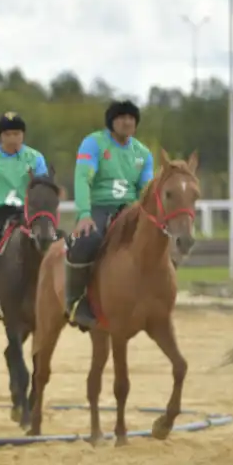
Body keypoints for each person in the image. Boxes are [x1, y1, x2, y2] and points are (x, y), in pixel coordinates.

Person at [65, 100, 154, 331]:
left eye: (131, 119)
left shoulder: (143, 153)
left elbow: (146, 191)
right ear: (111, 122)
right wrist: (84, 214)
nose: (127, 122)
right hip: (99, 207)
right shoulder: (93, 144)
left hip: (131, 210)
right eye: (121, 118)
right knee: (88, 241)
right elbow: (83, 179)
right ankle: (76, 302)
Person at [0, 112, 51, 241]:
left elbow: (44, 190)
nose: (12, 138)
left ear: (23, 134)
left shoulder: (35, 158)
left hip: (28, 212)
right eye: (7, 134)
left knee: (48, 236)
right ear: (0, 136)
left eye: (16, 134)